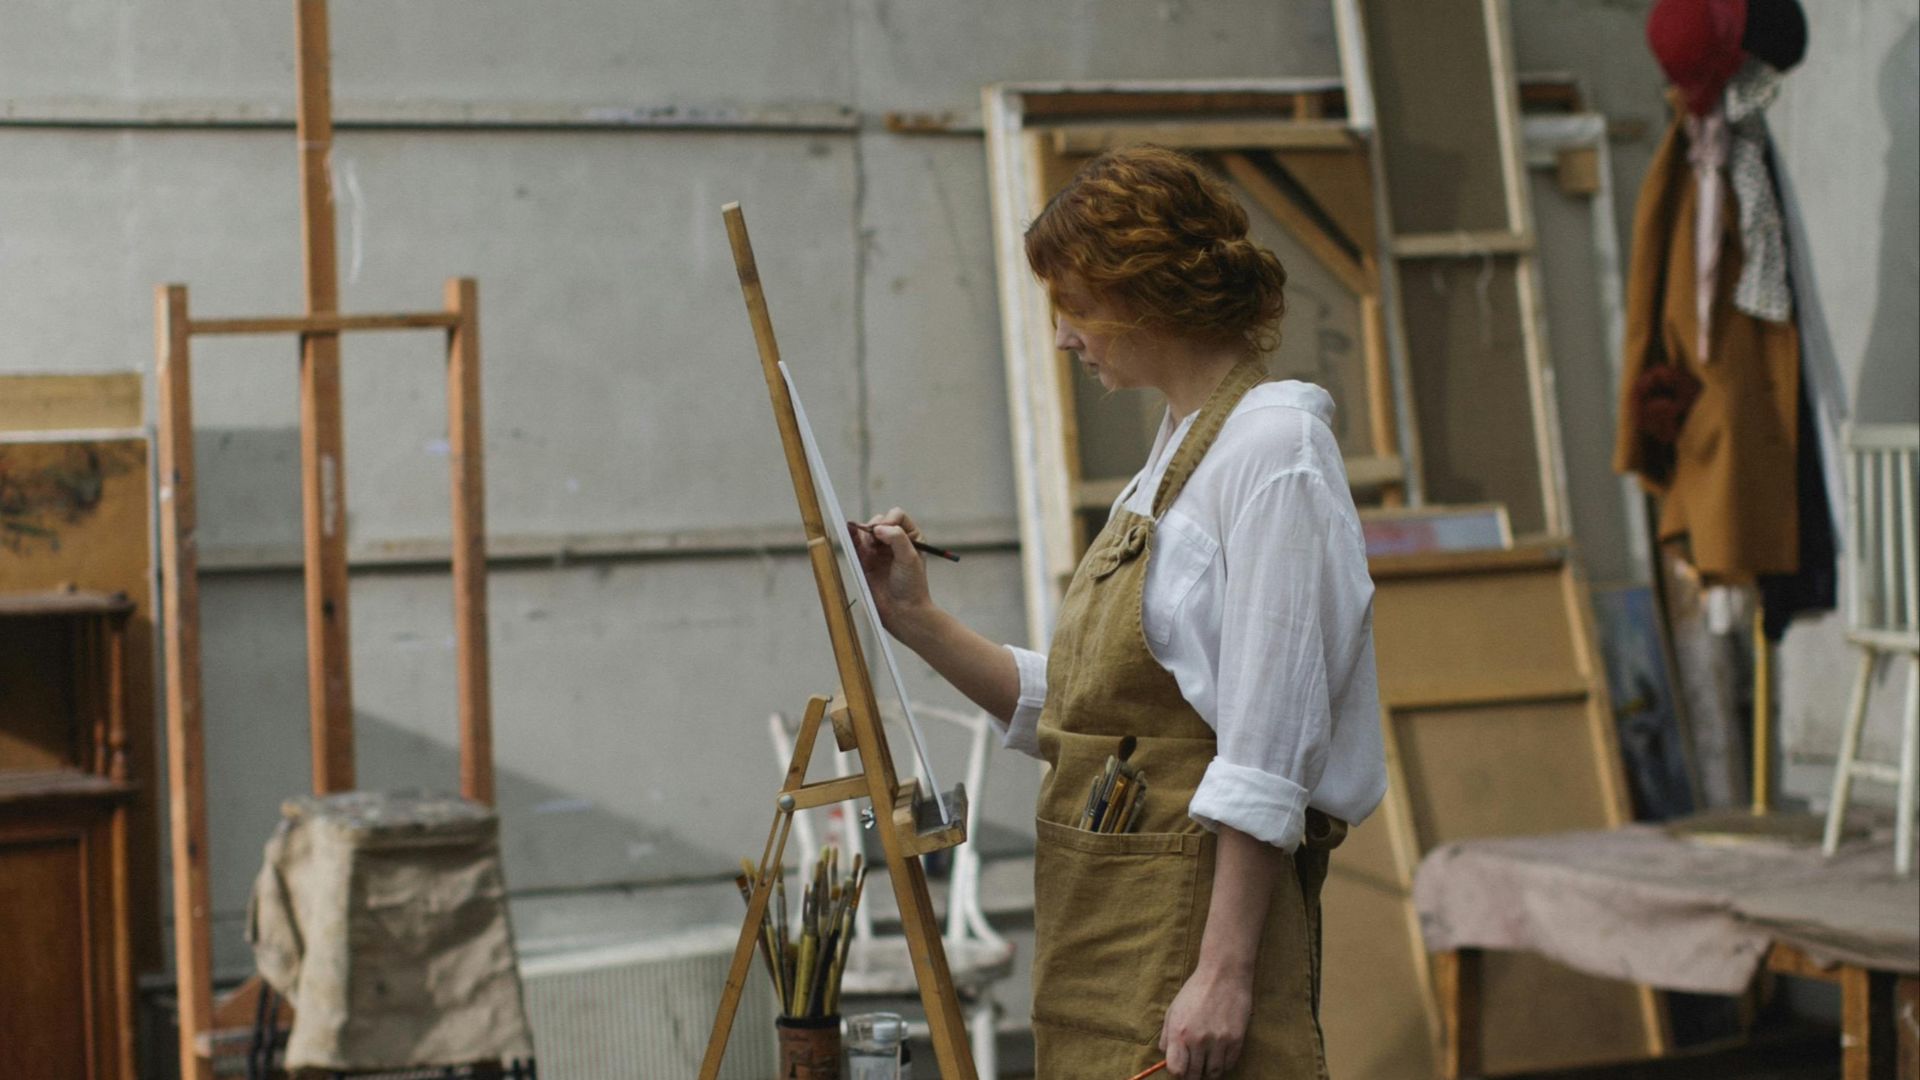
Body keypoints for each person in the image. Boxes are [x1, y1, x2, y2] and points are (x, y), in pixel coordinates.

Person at [852, 145, 1385, 1080]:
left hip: (1186, 935)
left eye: (1073, 304)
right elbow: (1082, 716)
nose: (1061, 336)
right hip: (1108, 931)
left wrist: (1222, 975)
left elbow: (1267, 750)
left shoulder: (1275, 450)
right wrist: (917, 620)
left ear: (1144, 291)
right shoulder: (1174, 459)